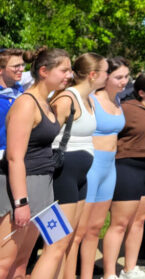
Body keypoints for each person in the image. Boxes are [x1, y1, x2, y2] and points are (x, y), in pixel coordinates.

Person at [0, 48, 74, 279]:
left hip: (43, 186)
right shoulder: (26, 103)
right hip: (21, 189)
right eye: (64, 70)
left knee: (24, 262)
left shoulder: (46, 102)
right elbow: (14, 157)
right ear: (44, 71)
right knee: (4, 263)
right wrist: (21, 202)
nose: (69, 75)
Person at [104, 72, 145, 279]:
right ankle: (109, 274)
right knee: (119, 223)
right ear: (141, 92)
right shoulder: (127, 109)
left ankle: (129, 269)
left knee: (139, 221)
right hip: (129, 167)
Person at [74, 57, 129, 279]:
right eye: (118, 77)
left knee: (96, 228)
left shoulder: (118, 101)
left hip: (110, 168)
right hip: (92, 167)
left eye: (126, 76)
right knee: (80, 230)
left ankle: (95, 275)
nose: (123, 81)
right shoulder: (92, 100)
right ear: (105, 77)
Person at [51, 53, 103, 279]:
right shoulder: (65, 99)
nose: (107, 76)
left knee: (73, 235)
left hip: (81, 174)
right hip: (63, 173)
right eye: (106, 71)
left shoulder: (89, 99)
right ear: (93, 75)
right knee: (57, 239)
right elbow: (43, 135)